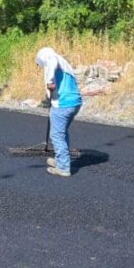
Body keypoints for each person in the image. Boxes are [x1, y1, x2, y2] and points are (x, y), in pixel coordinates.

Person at [35, 47, 84, 177]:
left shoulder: (52, 59)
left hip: (63, 104)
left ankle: (63, 168)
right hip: (75, 102)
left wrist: (50, 81)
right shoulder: (64, 62)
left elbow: (51, 63)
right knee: (62, 133)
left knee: (56, 135)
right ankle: (61, 160)